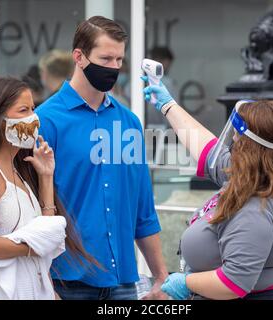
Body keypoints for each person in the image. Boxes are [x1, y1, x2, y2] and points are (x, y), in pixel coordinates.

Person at [142, 79, 273, 300]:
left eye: (235, 136)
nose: (231, 141)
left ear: (248, 148)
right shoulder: (256, 177)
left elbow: (234, 282)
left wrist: (183, 283)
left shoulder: (256, 207)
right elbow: (207, 149)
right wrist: (168, 105)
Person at [35, 16, 168, 300]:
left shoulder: (129, 123)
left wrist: (161, 277)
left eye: (119, 60)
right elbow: (33, 210)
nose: (114, 68)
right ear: (79, 57)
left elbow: (143, 208)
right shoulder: (46, 121)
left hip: (123, 283)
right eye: (106, 58)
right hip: (64, 282)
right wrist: (43, 282)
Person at [0, 77, 95, 300]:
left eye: (33, 109)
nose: (33, 118)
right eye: (23, 110)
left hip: (30, 287)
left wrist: (45, 177)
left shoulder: (19, 167)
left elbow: (47, 231)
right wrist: (31, 248)